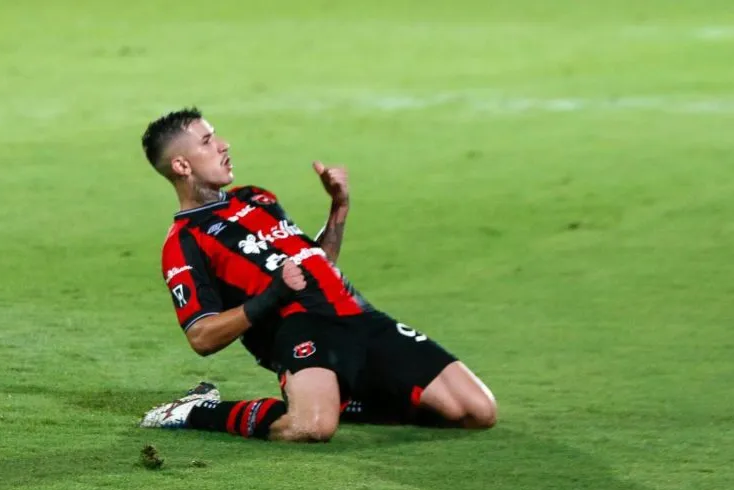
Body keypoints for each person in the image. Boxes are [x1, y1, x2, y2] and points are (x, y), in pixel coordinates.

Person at [138, 107, 497, 442]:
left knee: (477, 412)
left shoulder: (257, 198)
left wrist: (338, 207)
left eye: (215, 136)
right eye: (207, 142)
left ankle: (341, 401)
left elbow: (316, 263)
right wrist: (272, 295)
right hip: (299, 329)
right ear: (182, 166)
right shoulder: (185, 243)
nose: (223, 145)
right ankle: (198, 411)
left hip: (358, 315)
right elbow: (201, 337)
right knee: (310, 427)